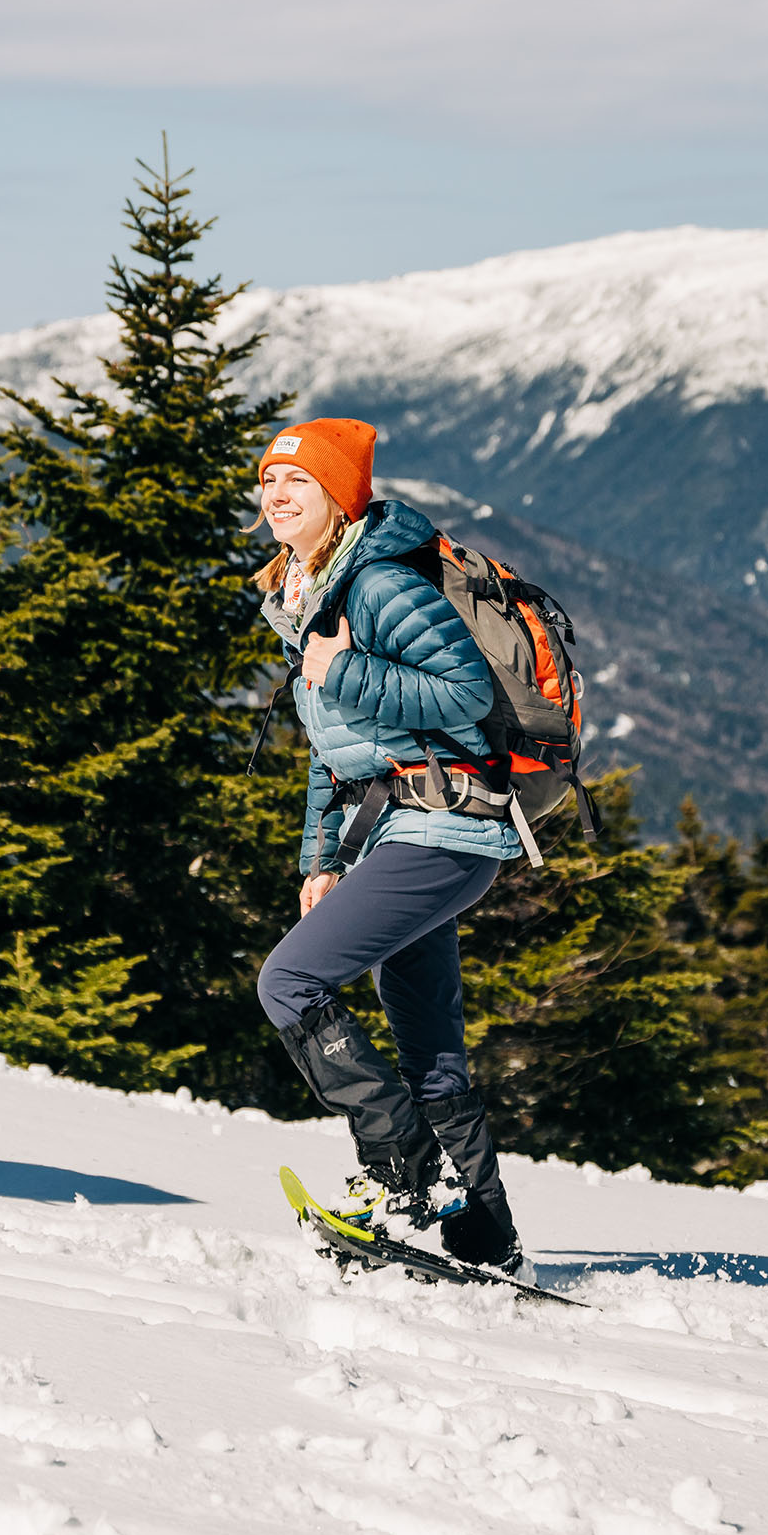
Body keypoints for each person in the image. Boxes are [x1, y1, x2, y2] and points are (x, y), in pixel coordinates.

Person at [248, 419, 534, 1281]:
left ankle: (402, 1170)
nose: (276, 495)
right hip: (405, 832)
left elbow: (464, 692)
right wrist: (320, 861)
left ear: (339, 495)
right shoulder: (305, 593)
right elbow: (334, 754)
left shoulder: (372, 584)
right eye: (267, 482)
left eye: (296, 482)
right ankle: (486, 1239)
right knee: (430, 1049)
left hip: (449, 826)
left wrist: (343, 673)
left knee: (288, 982)